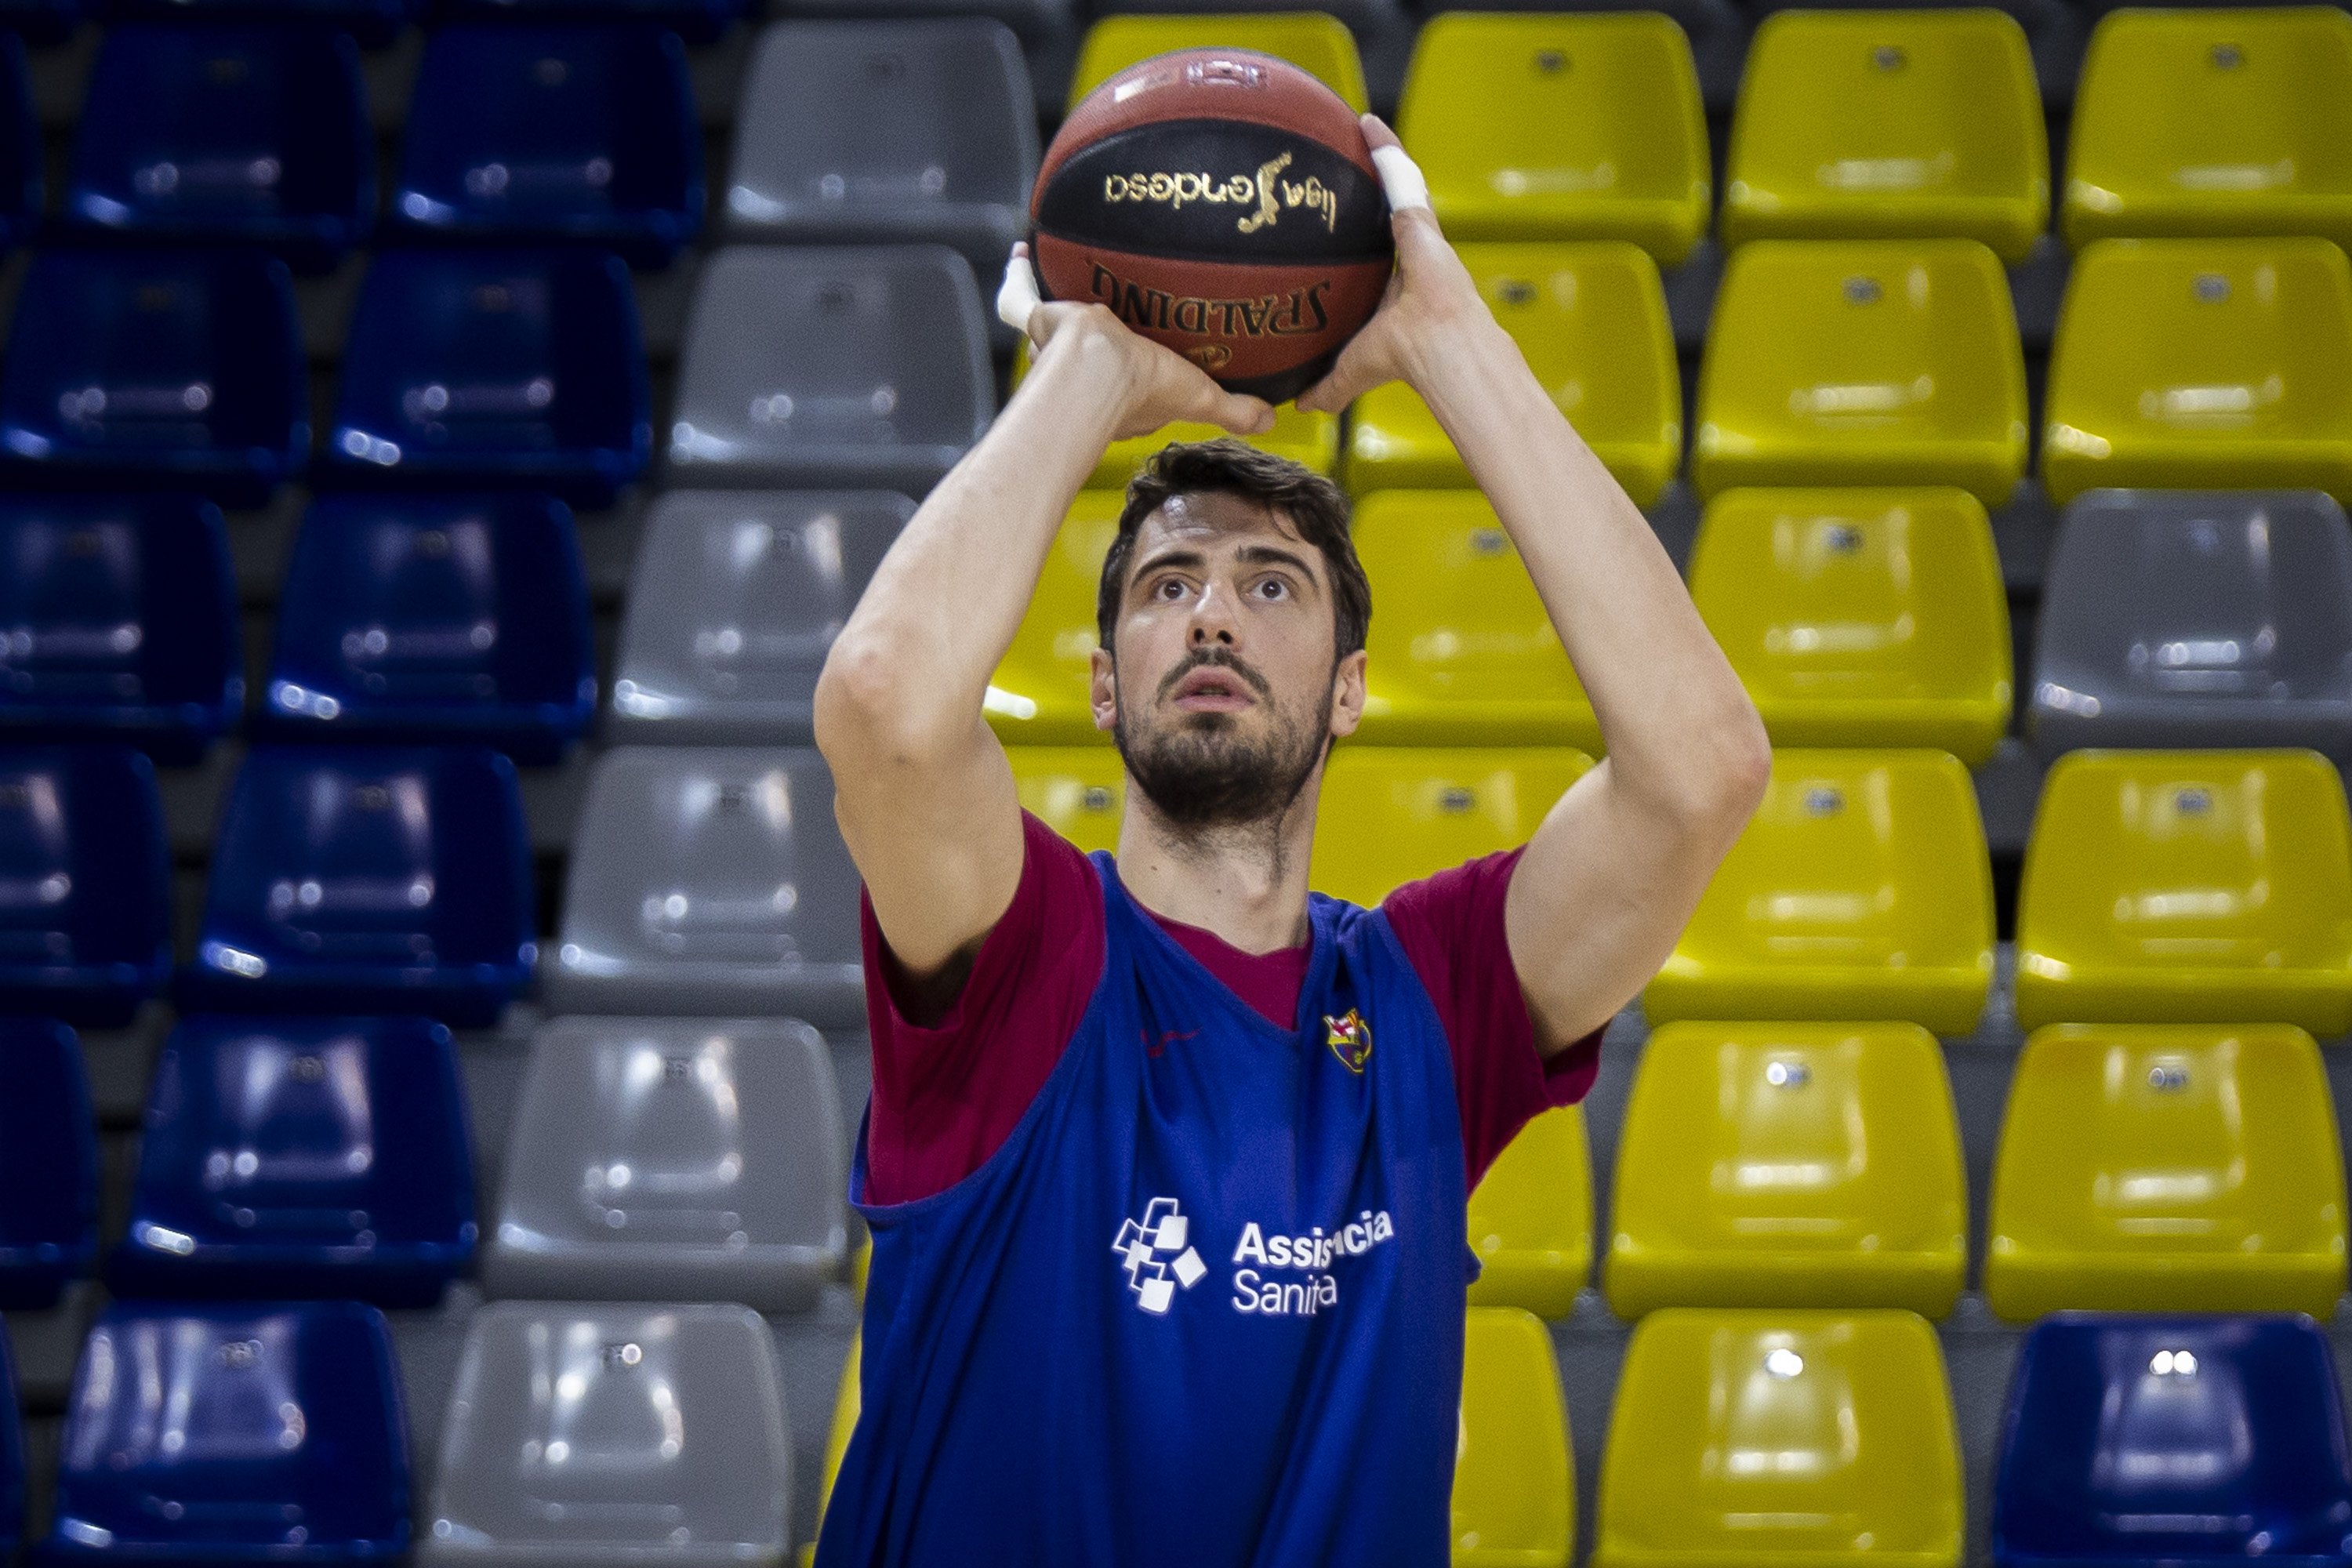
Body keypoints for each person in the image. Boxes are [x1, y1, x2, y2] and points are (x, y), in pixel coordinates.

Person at [810, 118, 1770, 1566]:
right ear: (1101, 680)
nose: (1210, 613)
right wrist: (1086, 371)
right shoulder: (1027, 958)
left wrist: (1448, 340)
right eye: (1167, 583)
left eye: (1271, 586)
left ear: (1349, 690)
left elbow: (1702, 771)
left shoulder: (1423, 1000)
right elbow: (884, 703)